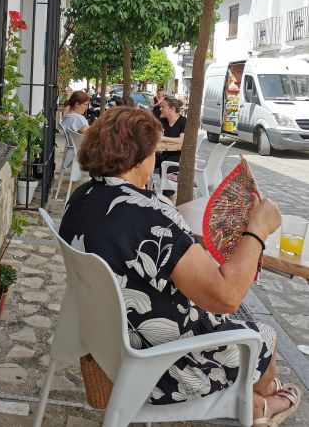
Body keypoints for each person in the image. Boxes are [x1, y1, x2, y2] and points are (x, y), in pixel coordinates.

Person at [59, 107, 300, 424]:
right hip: (164, 367)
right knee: (265, 335)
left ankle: (258, 400)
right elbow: (226, 297)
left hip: (113, 346)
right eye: (153, 153)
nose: (154, 160)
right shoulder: (148, 216)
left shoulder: (83, 197)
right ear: (139, 157)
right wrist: (257, 230)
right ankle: (259, 405)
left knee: (247, 334)